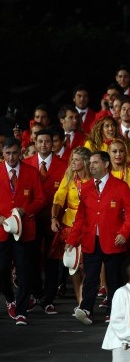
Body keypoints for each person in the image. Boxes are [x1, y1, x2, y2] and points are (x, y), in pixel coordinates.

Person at [66, 151, 130, 325]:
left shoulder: (120, 186)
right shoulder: (87, 187)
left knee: (113, 280)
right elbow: (81, 217)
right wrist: (72, 239)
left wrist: (124, 233)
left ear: (106, 165)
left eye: (95, 163)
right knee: (90, 278)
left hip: (113, 241)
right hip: (91, 240)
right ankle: (87, 309)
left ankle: (113, 312)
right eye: (90, 163)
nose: (91, 166)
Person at [0, 137, 46, 325]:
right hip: (2, 230)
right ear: (2, 154)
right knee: (1, 270)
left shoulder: (31, 172)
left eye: (14, 153)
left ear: (21, 153)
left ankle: (21, 311)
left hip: (24, 230)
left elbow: (41, 200)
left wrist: (24, 210)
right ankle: (10, 298)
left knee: (24, 271)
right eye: (7, 153)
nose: (11, 157)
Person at [23, 129, 68, 314]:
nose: (43, 145)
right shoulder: (26, 164)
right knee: (31, 258)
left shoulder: (64, 165)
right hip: (30, 219)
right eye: (40, 141)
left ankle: (49, 299)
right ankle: (35, 293)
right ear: (34, 142)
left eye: (47, 141)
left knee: (52, 259)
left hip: (53, 218)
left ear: (53, 143)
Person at [51, 147, 93, 307]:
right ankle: (81, 303)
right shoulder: (69, 176)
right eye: (72, 159)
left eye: (76, 159)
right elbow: (59, 198)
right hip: (70, 225)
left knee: (88, 267)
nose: (72, 162)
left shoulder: (94, 178)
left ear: (85, 162)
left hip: (90, 226)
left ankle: (92, 297)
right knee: (74, 266)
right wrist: (54, 217)